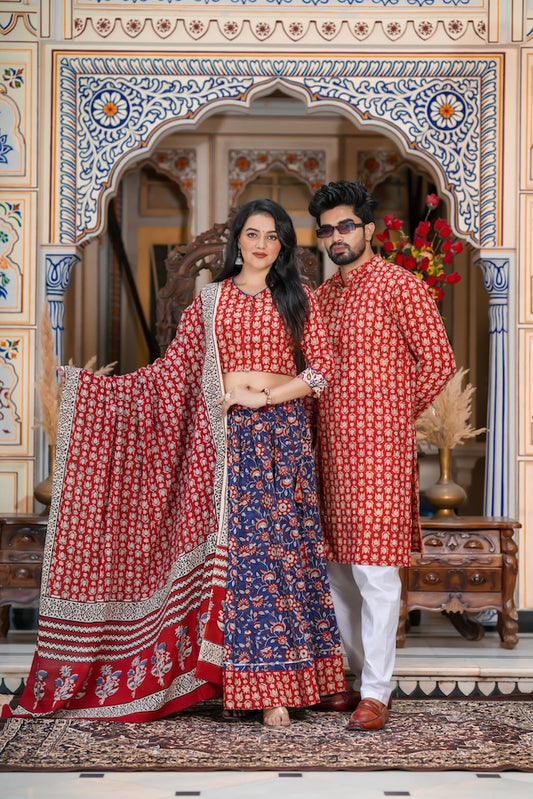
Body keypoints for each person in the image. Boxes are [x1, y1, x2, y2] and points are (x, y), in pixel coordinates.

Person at [4, 199, 346, 728]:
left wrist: (264, 396)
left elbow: (322, 374)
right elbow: (170, 377)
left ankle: (287, 684)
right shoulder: (209, 302)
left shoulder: (298, 296)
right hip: (226, 446)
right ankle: (252, 687)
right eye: (252, 234)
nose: (261, 244)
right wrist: (94, 397)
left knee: (281, 557)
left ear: (283, 245)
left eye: (272, 236)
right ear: (238, 241)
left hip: (283, 444)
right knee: (245, 564)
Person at [307, 180, 456, 731]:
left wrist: (393, 415)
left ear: (368, 229)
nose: (335, 237)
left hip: (378, 454)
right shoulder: (321, 298)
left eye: (345, 225)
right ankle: (353, 679)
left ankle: (377, 691)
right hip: (327, 454)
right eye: (326, 229)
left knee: (374, 573)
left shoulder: (401, 286)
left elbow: (438, 361)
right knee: (337, 573)